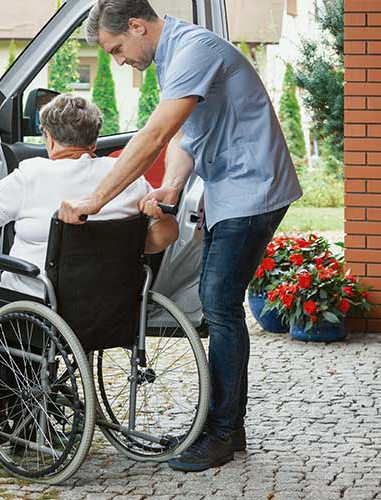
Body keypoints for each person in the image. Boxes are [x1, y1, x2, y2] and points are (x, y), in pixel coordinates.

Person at [57, 0, 302, 472]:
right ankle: (226, 424)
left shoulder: (194, 49)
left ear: (135, 26)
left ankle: (223, 432)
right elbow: (185, 139)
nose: (119, 60)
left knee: (219, 305)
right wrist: (171, 185)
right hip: (230, 191)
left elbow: (153, 134)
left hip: (253, 189)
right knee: (220, 303)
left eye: (116, 49)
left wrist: (96, 200)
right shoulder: (172, 60)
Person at [0, 93, 178, 297]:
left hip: (37, 305)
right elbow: (162, 238)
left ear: (49, 139)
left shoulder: (32, 174)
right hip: (111, 307)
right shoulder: (128, 177)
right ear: (93, 143)